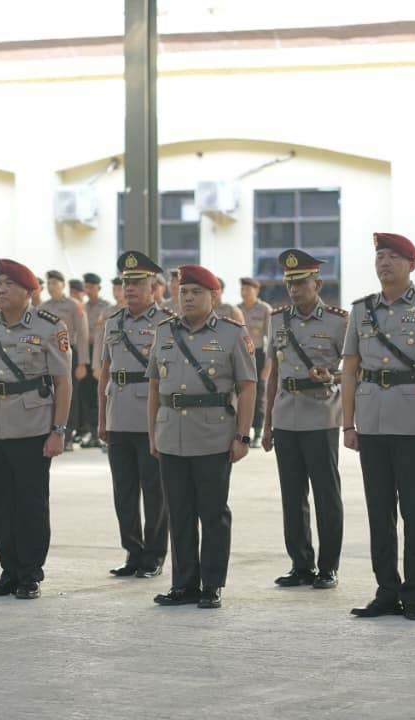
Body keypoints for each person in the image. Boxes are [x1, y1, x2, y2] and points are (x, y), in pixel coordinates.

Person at [340, 232, 415, 622]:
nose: (384, 263)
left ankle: (412, 594)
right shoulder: (361, 310)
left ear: (411, 265)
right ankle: (386, 590)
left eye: (393, 257)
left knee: (414, 513)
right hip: (371, 423)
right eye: (380, 257)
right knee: (379, 512)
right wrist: (348, 424)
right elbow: (351, 370)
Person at [148, 264, 256, 610]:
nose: (188, 297)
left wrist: (242, 435)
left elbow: (248, 387)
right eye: (184, 291)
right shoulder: (164, 332)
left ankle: (211, 584)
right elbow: (154, 385)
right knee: (178, 513)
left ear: (214, 296)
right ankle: (183, 584)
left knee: (212, 513)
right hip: (171, 435)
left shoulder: (232, 333)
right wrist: (153, 432)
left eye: (196, 292)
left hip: (213, 436)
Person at [0, 259, 72, 600]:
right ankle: (9, 570)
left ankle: (30, 573)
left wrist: (59, 430)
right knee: (0, 503)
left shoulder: (49, 327)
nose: (0, 289)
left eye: (9, 284)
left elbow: (63, 382)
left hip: (33, 427)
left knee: (30, 503)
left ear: (29, 292)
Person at [261, 250, 346, 590]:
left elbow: (353, 371)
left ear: (318, 283)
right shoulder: (277, 320)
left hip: (321, 414)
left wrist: (332, 377)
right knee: (292, 495)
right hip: (285, 415)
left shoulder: (339, 322)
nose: (295, 289)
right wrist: (266, 424)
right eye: (290, 283)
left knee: (326, 495)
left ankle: (328, 567)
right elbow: (273, 374)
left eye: (301, 283)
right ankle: (301, 564)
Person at [97, 251, 171, 579]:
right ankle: (133, 551)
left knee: (154, 490)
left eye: (137, 283)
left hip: (150, 416)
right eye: (126, 283)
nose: (129, 289)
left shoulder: (166, 323)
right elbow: (106, 372)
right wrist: (102, 418)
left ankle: (154, 555)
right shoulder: (113, 322)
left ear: (153, 286)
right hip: (118, 413)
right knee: (123, 491)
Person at [41, 270, 89, 450]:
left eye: (54, 283)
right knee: (50, 393)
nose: (51, 286)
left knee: (70, 395)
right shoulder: (42, 307)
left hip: (68, 353)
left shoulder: (74, 305)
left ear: (63, 285)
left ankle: (67, 434)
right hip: (46, 355)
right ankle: (50, 430)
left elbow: (82, 335)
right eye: (49, 283)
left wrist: (82, 363)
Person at [80, 272, 114, 448]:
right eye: (86, 287)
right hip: (85, 352)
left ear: (99, 288)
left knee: (98, 392)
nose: (88, 290)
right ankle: (90, 429)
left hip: (101, 352)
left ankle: (98, 430)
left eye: (91, 287)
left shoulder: (106, 307)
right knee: (85, 394)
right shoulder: (82, 307)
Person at [238, 277, 272, 447]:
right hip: (240, 355)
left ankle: (258, 432)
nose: (245, 293)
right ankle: (240, 431)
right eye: (242, 289)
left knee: (258, 395)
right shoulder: (237, 310)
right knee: (238, 393)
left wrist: (268, 365)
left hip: (258, 355)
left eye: (248, 289)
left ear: (256, 291)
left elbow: (271, 339)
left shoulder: (265, 309)